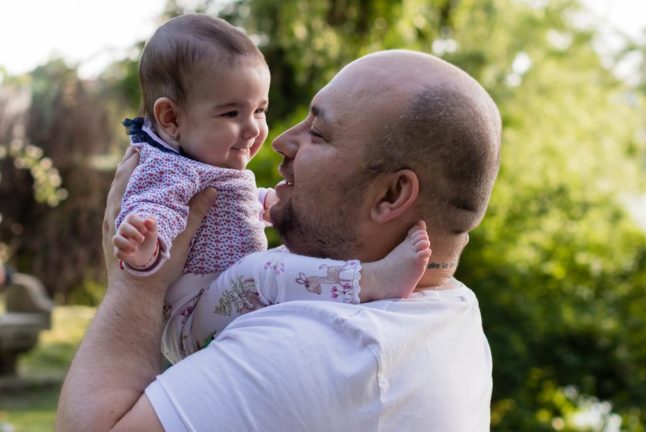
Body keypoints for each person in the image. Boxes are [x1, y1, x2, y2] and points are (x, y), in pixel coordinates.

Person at [57, 49, 501, 431]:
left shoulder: (320, 351)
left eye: (319, 133)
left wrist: (136, 285)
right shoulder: (454, 312)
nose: (281, 142)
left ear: (391, 195)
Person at [114, 15, 430, 362]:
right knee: (264, 272)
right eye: (232, 113)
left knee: (284, 261)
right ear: (171, 119)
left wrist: (266, 201)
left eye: (259, 110)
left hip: (217, 298)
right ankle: (370, 282)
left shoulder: (205, 162)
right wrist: (146, 243)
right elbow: (153, 207)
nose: (253, 128)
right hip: (187, 319)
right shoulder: (165, 167)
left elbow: (229, 207)